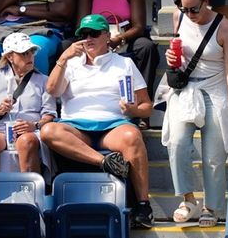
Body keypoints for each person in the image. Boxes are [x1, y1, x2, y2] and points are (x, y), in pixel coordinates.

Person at [41, 14, 154, 229]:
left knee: (132, 136)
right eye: (83, 34)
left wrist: (133, 110)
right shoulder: (70, 63)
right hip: (76, 126)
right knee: (48, 131)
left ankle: (143, 205)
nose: (87, 39)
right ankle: (103, 162)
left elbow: (147, 107)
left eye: (93, 33)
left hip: (113, 126)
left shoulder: (125, 63)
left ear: (106, 36)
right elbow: (52, 90)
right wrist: (63, 59)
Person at [159, 0, 228, 227]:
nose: (188, 14)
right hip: (186, 89)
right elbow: (177, 51)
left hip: (215, 89)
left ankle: (212, 206)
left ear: (206, 0)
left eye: (193, 9)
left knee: (213, 155)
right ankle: (188, 199)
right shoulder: (179, 17)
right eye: (182, 7)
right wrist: (171, 60)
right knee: (176, 143)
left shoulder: (224, 25)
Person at [77, 0, 160, 125]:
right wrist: (97, 40)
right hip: (94, 38)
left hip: (124, 38)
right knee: (66, 46)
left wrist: (118, 39)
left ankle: (141, 112)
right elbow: (80, 26)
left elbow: (139, 26)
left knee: (146, 47)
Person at [0, 32, 56, 173]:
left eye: (31, 52)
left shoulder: (44, 80)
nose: (30, 57)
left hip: (33, 131)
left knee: (26, 141)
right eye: (24, 53)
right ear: (10, 57)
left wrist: (34, 125)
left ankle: (29, 191)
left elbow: (50, 115)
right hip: (1, 131)